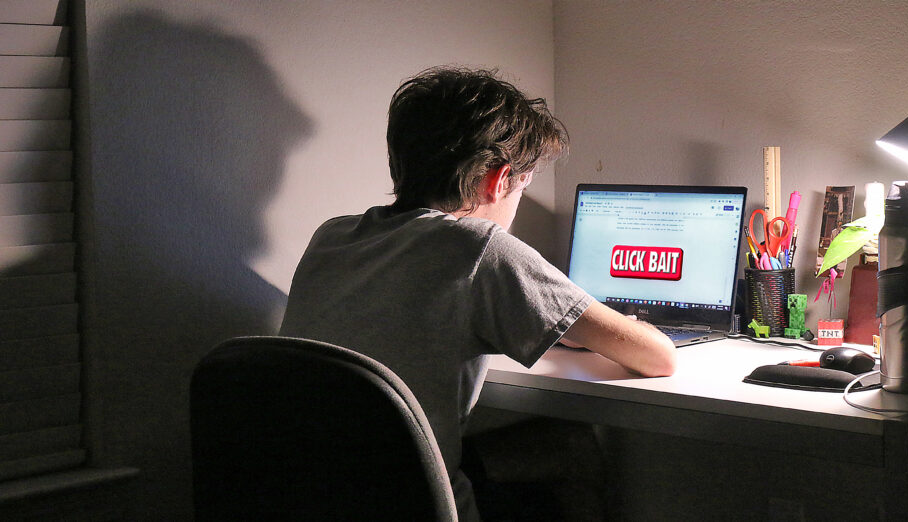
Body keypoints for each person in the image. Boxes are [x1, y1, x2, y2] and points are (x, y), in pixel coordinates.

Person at [279, 66, 676, 521]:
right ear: (498, 180)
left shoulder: (332, 236)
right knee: (571, 444)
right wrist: (611, 326)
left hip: (315, 495)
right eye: (523, 186)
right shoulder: (478, 246)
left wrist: (557, 321)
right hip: (418, 502)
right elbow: (658, 358)